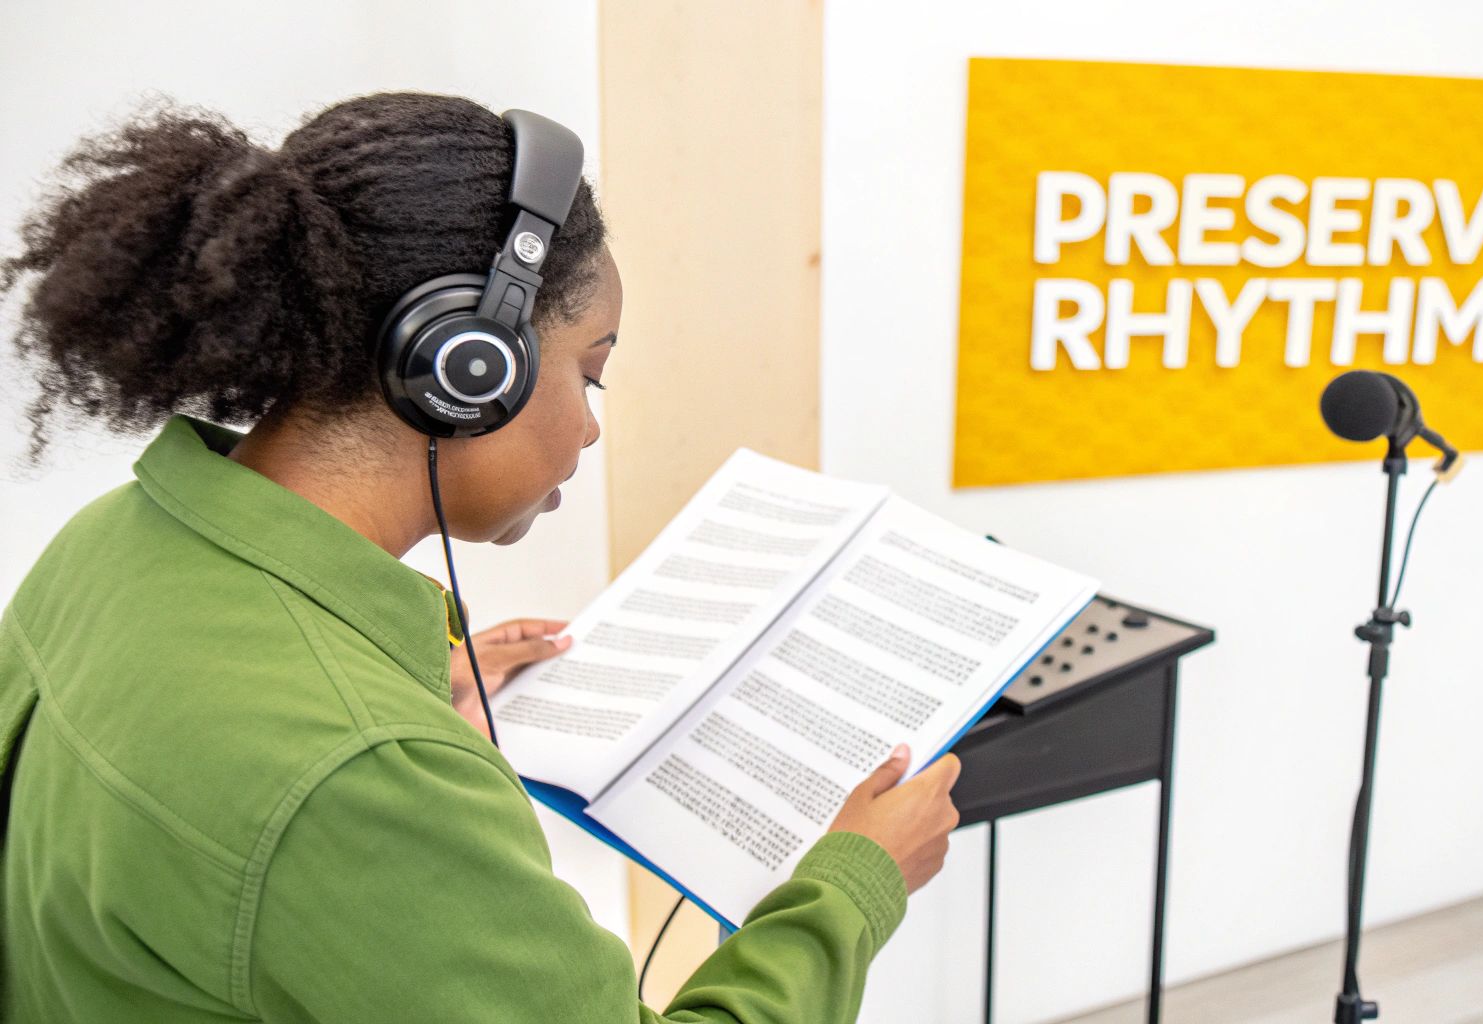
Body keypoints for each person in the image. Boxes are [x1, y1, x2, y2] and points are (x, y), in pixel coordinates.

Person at [0, 92, 961, 1023]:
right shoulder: (367, 772)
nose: (589, 429)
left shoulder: (106, 544)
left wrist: (400, 688)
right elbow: (320, 784)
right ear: (469, 366)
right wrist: (856, 882)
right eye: (591, 372)